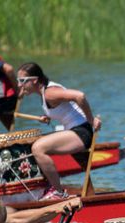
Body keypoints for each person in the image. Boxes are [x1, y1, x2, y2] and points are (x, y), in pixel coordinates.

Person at [16, 62, 102, 200]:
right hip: (75, 130)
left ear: (34, 80)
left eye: (22, 81)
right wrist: (48, 116)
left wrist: (91, 120)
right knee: (34, 143)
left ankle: (58, 192)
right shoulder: (45, 92)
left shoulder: (50, 93)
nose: (19, 85)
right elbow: (66, 110)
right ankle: (89, 198)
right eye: (17, 81)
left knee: (38, 148)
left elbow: (79, 96)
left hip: (81, 133)